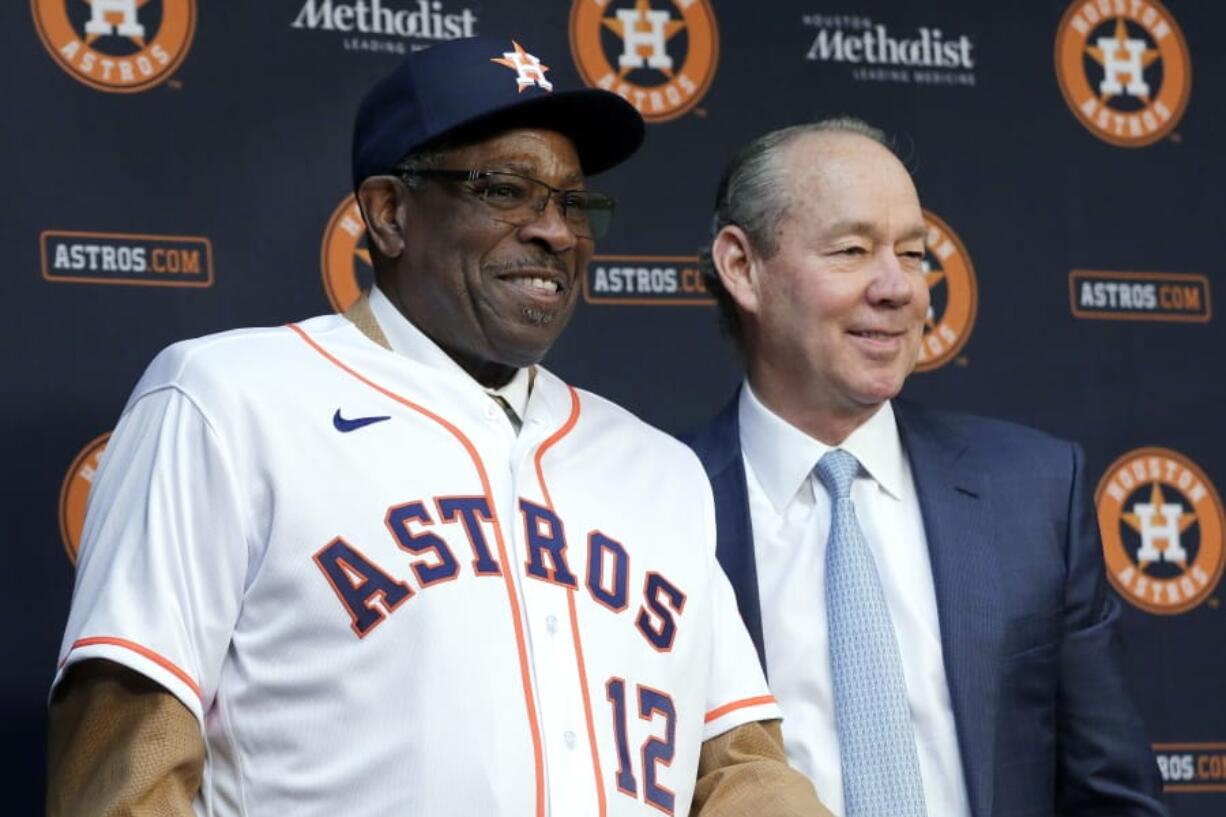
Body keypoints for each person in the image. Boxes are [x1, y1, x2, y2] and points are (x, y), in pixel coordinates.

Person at [47, 37, 829, 817]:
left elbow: (738, 769)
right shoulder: (227, 401)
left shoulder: (655, 467)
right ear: (389, 214)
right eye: (505, 190)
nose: (555, 230)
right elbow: (126, 771)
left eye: (571, 201)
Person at [683, 118, 1169, 817]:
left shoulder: (1035, 493)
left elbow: (1113, 797)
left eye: (912, 254)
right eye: (851, 250)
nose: (899, 288)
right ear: (741, 267)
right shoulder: (660, 507)